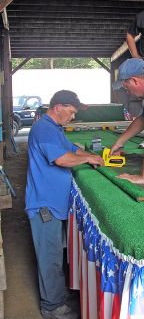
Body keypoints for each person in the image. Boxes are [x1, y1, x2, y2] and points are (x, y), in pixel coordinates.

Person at [25, 90, 104, 319]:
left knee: (55, 255)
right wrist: (88, 159)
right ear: (58, 107)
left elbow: (70, 149)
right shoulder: (44, 129)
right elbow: (61, 159)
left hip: (53, 203)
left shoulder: (54, 128)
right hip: (44, 206)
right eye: (70, 112)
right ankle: (52, 307)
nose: (72, 117)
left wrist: (90, 154)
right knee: (49, 258)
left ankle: (56, 295)